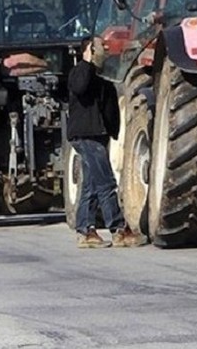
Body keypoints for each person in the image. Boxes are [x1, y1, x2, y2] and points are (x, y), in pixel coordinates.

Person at [67, 37, 146, 248]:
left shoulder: (103, 78)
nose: (107, 49)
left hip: (98, 136)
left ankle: (85, 231)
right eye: (102, 46)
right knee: (106, 183)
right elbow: (81, 87)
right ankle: (119, 230)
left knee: (91, 186)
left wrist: (113, 132)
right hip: (86, 136)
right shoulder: (80, 72)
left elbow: (109, 108)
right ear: (90, 50)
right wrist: (87, 61)